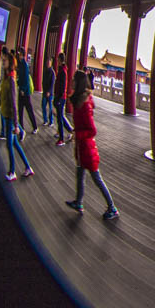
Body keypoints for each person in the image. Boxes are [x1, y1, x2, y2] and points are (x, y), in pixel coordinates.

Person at [64, 70, 119, 220]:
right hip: (81, 148)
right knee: (80, 175)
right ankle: (78, 202)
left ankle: (112, 208)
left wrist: (78, 134)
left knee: (97, 179)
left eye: (74, 79)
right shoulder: (79, 101)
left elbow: (92, 130)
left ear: (79, 83)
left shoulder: (85, 104)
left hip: (87, 149)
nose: (72, 81)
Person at [0, 51, 34, 181]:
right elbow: (2, 94)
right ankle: (28, 167)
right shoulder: (6, 78)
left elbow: (14, 104)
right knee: (15, 144)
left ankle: (12, 171)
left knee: (9, 145)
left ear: (10, 63)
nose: (3, 62)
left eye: (5, 60)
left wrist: (15, 124)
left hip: (10, 117)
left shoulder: (11, 80)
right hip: (6, 114)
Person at [53, 52, 73, 145]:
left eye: (58, 59)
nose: (57, 61)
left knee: (60, 118)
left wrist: (58, 97)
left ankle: (61, 139)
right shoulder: (61, 70)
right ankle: (70, 131)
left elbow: (63, 86)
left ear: (60, 60)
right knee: (60, 116)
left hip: (61, 98)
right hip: (59, 97)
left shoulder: (63, 71)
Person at [41, 57, 55, 127]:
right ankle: (45, 120)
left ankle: (51, 121)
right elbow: (43, 81)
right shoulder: (45, 71)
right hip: (44, 92)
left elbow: (52, 83)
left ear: (51, 63)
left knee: (50, 108)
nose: (48, 64)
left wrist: (49, 91)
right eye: (47, 62)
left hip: (50, 93)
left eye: (49, 62)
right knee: (43, 106)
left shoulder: (52, 72)